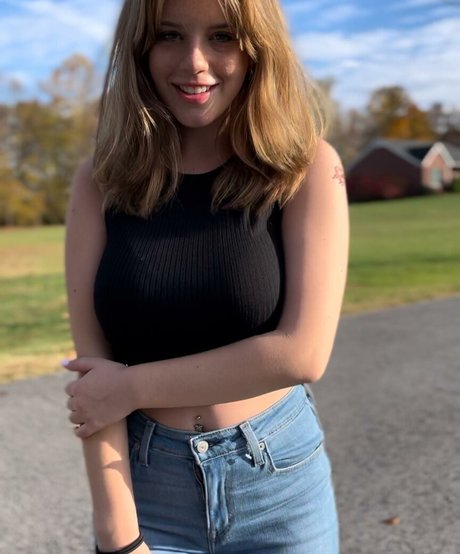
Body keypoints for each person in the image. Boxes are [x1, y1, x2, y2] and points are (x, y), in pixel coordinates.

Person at [63, 0, 349, 552]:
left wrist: (131, 388)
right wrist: (118, 535)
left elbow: (302, 355)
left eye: (222, 37)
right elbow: (92, 373)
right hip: (148, 488)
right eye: (170, 35)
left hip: (280, 486)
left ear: (258, 49)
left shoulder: (306, 168)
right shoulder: (101, 181)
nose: (194, 62)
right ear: (140, 48)